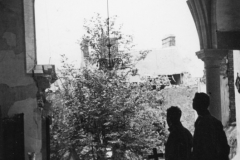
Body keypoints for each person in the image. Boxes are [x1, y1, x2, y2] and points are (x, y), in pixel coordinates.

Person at [192, 92, 230, 160]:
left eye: (194, 100)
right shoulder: (202, 121)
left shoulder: (205, 122)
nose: (192, 101)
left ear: (200, 104)